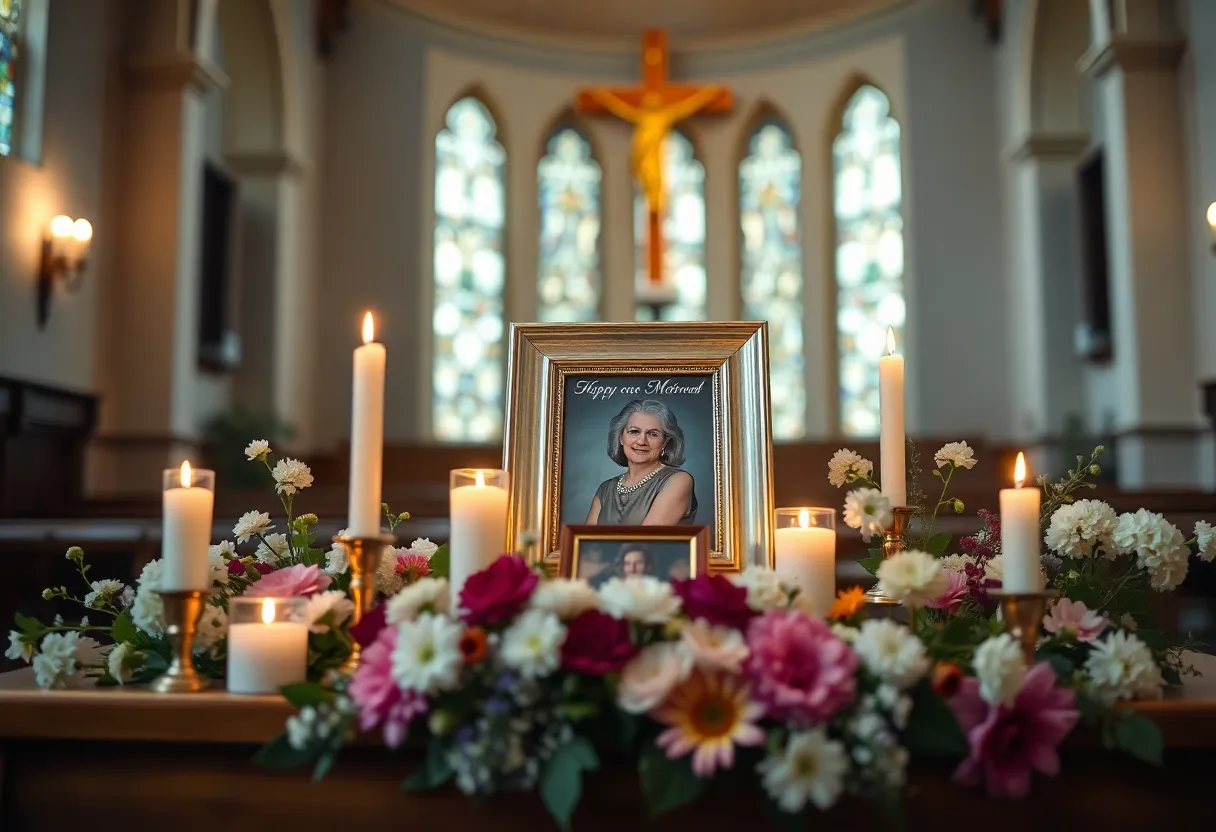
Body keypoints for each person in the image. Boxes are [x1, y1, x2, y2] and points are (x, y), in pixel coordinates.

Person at [585, 399, 697, 526]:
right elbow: (587, 542)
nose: (641, 441)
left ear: (665, 442)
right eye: (634, 432)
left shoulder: (679, 480)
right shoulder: (605, 489)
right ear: (621, 437)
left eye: (653, 434)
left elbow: (644, 541)